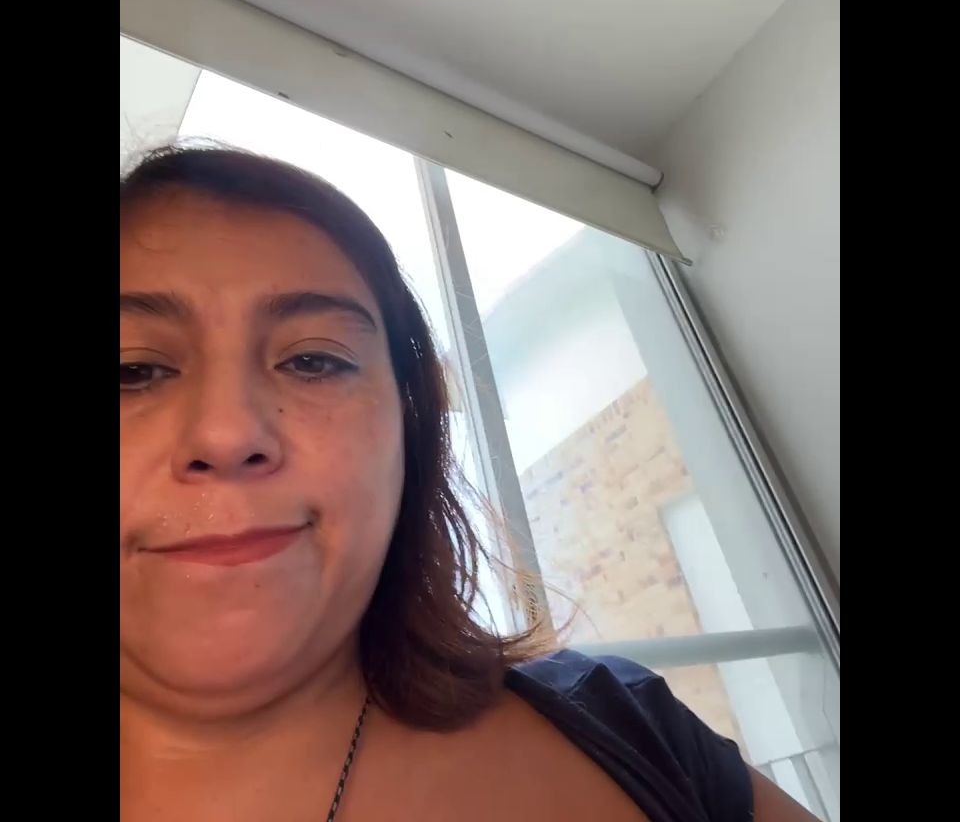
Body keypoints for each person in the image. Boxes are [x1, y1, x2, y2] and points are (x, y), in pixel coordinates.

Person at [120, 143, 819, 822]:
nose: (227, 434)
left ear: (408, 426)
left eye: (312, 361)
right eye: (132, 370)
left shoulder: (628, 730)